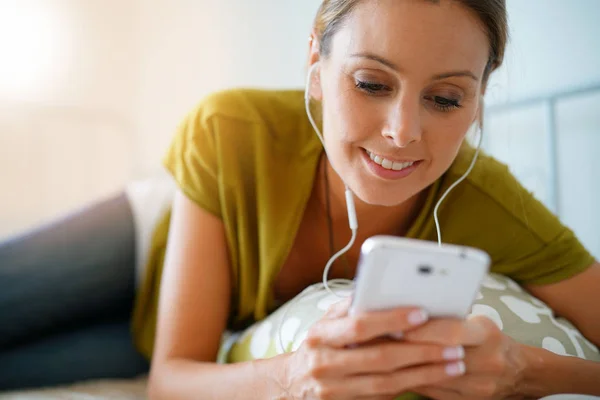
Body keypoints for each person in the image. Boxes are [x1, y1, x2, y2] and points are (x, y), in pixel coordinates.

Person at [1, 0, 599, 398]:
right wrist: (289, 377)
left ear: (481, 94)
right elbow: (171, 378)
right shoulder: (232, 128)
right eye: (370, 84)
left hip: (155, 335)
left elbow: (169, 375)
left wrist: (528, 370)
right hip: (142, 240)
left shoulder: (487, 201)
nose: (403, 131)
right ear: (316, 59)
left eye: (445, 99)